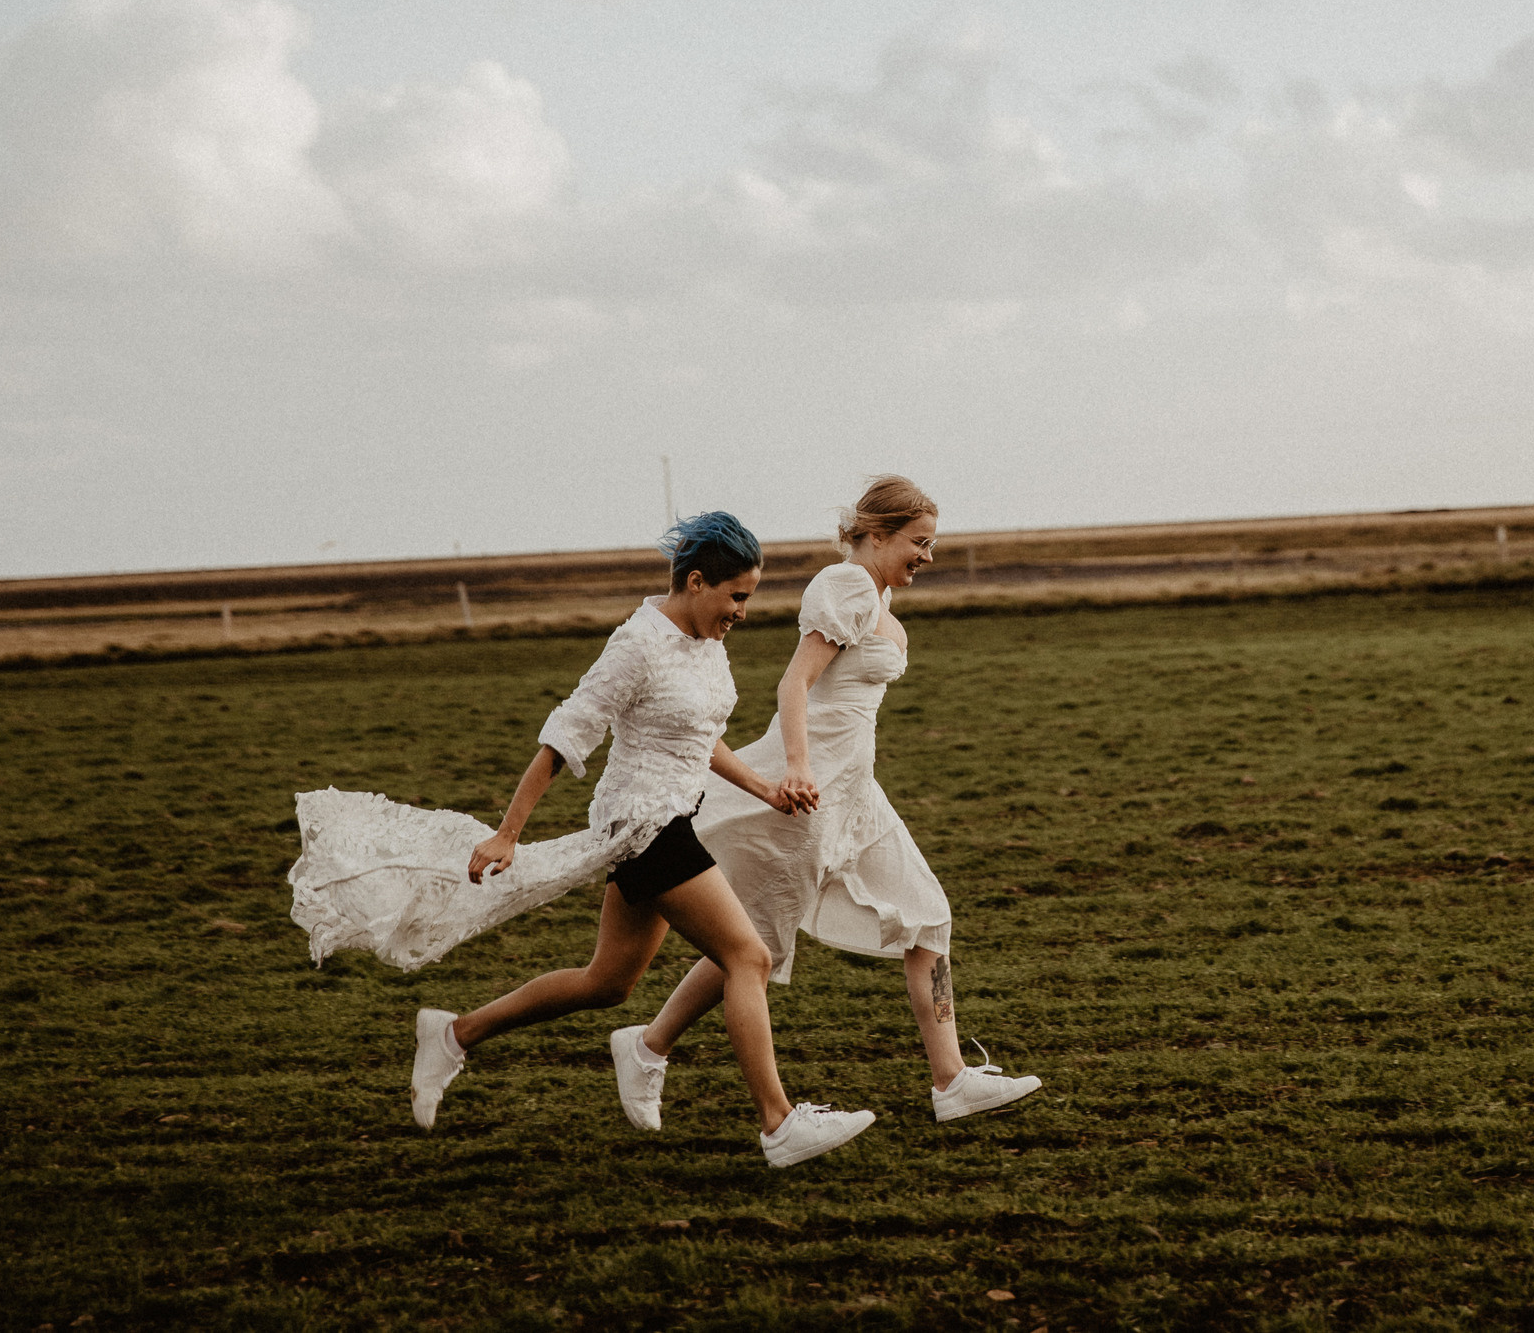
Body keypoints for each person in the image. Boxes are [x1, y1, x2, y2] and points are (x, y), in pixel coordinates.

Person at [286, 512, 874, 1168]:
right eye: (736, 595)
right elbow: (566, 734)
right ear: (696, 579)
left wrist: (765, 789)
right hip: (644, 827)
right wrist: (508, 833)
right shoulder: (638, 644)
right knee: (749, 957)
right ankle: (778, 1122)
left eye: (750, 597)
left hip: (668, 818)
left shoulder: (704, 639)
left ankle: (453, 1034)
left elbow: (697, 734)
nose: (742, 611)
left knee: (608, 981)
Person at [609, 477, 1041, 1133]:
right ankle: (648, 1045)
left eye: (932, 543)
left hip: (858, 794)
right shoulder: (846, 587)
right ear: (875, 533)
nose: (927, 554)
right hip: (809, 793)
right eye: (918, 542)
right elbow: (794, 683)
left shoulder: (880, 589)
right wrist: (801, 769)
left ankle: (952, 1079)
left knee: (927, 915)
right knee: (755, 945)